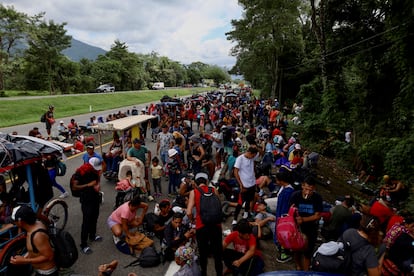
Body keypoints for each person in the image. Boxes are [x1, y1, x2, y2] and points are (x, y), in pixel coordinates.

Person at [186, 172, 223, 276]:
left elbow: (188, 212)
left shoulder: (194, 192)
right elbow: (219, 207)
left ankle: (204, 273)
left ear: (196, 183)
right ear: (206, 182)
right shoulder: (214, 190)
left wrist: (192, 219)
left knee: (203, 254)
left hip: (202, 226)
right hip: (216, 226)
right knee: (217, 254)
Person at [288, 175, 324, 271]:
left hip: (311, 228)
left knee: (308, 252)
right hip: (297, 227)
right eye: (306, 189)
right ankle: (298, 266)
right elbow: (290, 211)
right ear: (302, 186)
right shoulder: (295, 196)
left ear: (314, 188)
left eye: (311, 190)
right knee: (297, 249)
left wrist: (303, 219)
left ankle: (306, 271)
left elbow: (317, 215)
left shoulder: (317, 198)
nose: (308, 192)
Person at [10, 205, 57, 276]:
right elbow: (35, 251)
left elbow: (49, 256)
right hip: (40, 271)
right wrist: (23, 257)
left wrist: (24, 261)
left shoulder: (37, 236)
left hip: (47, 273)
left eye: (14, 221)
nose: (14, 224)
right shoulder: (35, 224)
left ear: (20, 222)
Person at [71, 157, 103, 254]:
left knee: (95, 217)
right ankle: (83, 244)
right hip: (86, 199)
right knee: (86, 221)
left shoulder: (94, 171)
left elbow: (97, 180)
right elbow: (75, 187)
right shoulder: (80, 172)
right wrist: (88, 185)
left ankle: (92, 236)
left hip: (95, 197)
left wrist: (97, 185)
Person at [233, 146, 259, 225]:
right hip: (244, 185)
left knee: (249, 200)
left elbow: (259, 153)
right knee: (240, 203)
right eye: (253, 155)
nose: (253, 157)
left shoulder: (251, 158)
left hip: (252, 183)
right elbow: (236, 172)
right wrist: (240, 184)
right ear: (250, 153)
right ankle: (234, 219)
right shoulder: (240, 159)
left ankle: (246, 214)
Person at [274, 171, 295, 263]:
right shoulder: (284, 188)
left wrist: (282, 218)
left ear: (281, 181)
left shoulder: (288, 192)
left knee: (283, 235)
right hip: (279, 215)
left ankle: (284, 253)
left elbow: (285, 208)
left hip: (283, 217)